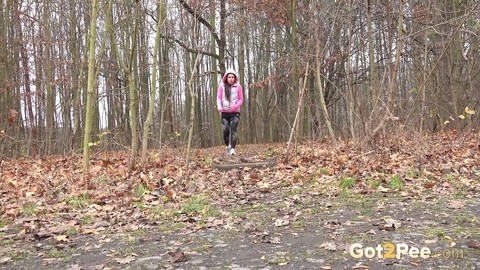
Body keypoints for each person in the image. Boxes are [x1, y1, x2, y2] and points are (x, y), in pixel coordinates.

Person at [217, 68, 244, 156]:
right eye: (229, 77)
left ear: (235, 78)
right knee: (225, 130)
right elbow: (219, 98)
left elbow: (241, 99)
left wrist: (234, 107)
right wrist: (219, 106)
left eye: (233, 77)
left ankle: (232, 148)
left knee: (233, 128)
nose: (231, 79)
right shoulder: (221, 86)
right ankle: (227, 145)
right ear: (226, 78)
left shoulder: (238, 87)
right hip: (224, 112)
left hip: (235, 112)